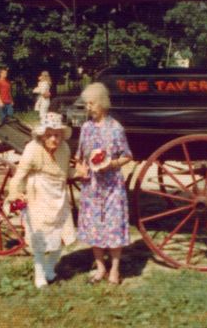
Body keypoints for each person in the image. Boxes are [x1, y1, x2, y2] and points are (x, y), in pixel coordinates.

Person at [5, 112, 76, 288]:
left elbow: (65, 173)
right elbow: (18, 176)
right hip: (38, 196)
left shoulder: (64, 149)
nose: (54, 139)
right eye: (50, 135)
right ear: (42, 135)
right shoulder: (32, 149)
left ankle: (50, 268)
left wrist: (79, 173)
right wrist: (14, 193)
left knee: (60, 236)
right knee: (40, 239)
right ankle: (39, 275)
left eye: (57, 135)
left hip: (59, 196)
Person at [74, 82, 132, 285]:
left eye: (92, 103)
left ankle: (115, 270)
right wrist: (80, 168)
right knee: (94, 227)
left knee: (113, 226)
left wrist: (112, 164)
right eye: (86, 104)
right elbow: (79, 157)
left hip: (112, 186)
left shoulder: (116, 129)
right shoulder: (86, 128)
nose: (88, 107)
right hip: (92, 186)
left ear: (102, 104)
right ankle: (100, 268)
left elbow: (127, 156)